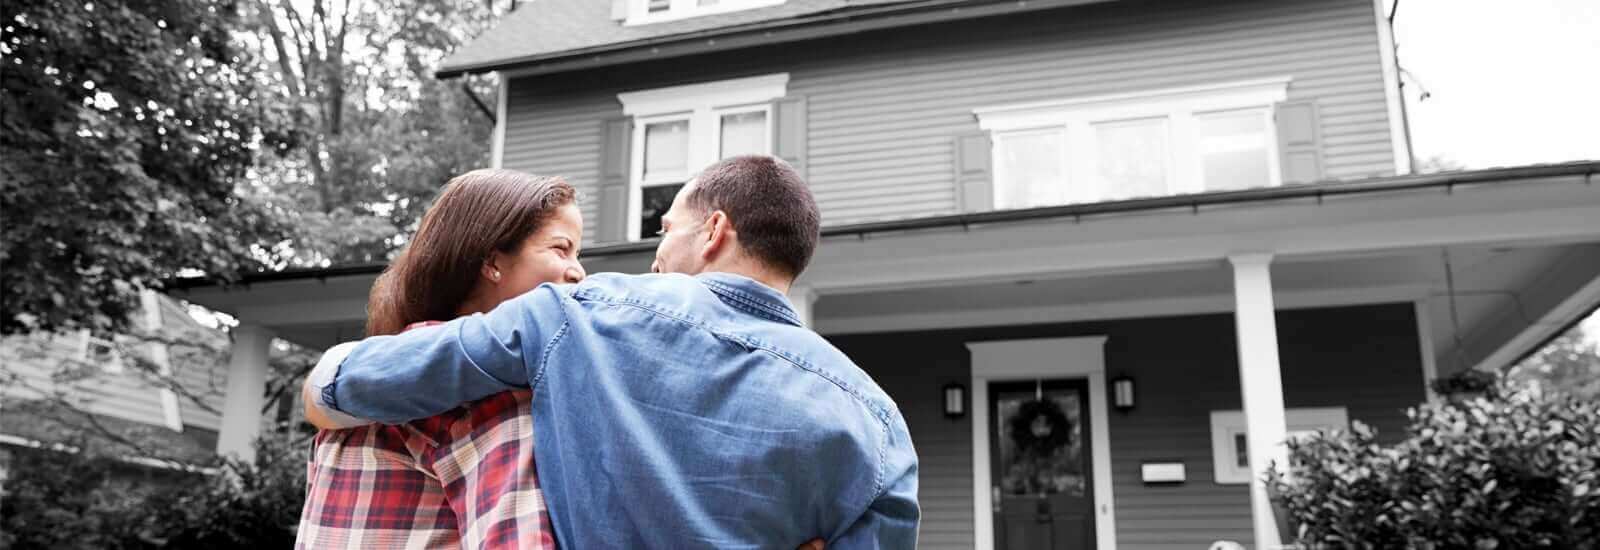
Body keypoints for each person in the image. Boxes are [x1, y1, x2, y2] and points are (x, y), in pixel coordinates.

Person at [304, 155, 920, 548]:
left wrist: (325, 381)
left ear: (713, 232)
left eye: (666, 229)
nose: (655, 254)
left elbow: (367, 378)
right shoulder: (881, 426)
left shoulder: (580, 319)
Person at [296, 169, 585, 549]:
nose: (579, 271)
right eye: (560, 248)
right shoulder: (487, 384)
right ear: (492, 261)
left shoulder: (369, 374)